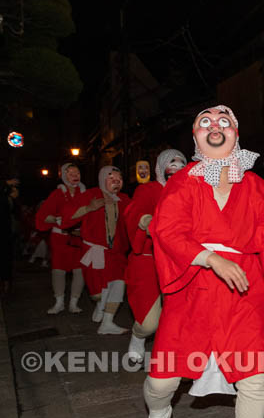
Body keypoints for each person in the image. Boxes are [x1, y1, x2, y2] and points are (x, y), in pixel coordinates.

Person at [137, 105, 264, 418]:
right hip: (191, 286)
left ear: (236, 134)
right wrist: (209, 257)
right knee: (163, 381)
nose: (215, 127)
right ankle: (158, 416)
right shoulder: (183, 181)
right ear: (195, 137)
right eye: (205, 122)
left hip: (244, 290)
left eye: (224, 122)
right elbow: (167, 230)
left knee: (255, 379)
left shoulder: (255, 185)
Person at [122, 149, 187, 364]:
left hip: (180, 261)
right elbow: (134, 211)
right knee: (149, 322)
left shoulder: (190, 192)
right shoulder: (148, 189)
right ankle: (138, 335)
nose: (176, 167)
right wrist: (145, 220)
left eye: (181, 163)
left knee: (180, 315)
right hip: (148, 259)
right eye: (171, 162)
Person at [63, 165, 130, 334]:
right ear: (102, 180)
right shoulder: (90, 195)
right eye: (111, 178)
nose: (116, 182)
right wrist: (88, 208)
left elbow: (135, 219)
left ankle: (107, 322)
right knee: (99, 292)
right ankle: (101, 304)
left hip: (116, 253)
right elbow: (66, 218)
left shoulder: (124, 199)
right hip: (95, 251)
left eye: (119, 179)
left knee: (119, 283)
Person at [36, 164, 87, 314]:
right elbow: (43, 215)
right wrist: (55, 219)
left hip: (79, 238)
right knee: (58, 270)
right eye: (71, 173)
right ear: (64, 176)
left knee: (79, 270)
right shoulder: (57, 194)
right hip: (60, 237)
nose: (75, 175)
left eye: (77, 172)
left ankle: (74, 302)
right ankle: (59, 302)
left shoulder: (85, 193)